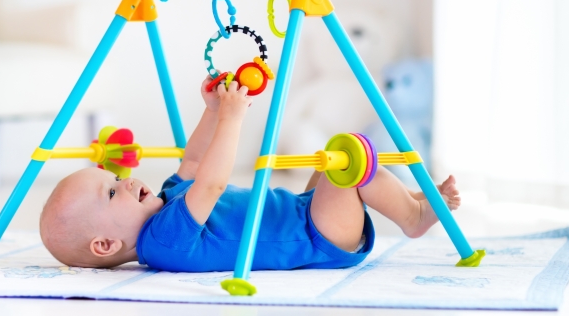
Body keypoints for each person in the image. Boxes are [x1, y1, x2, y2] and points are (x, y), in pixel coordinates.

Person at [39, 77, 460, 272]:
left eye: (114, 179)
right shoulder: (164, 240)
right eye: (114, 193)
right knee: (346, 160)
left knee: (335, 161)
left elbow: (194, 164)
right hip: (316, 236)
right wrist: (233, 121)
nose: (126, 181)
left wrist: (212, 111)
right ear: (106, 244)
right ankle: (412, 218)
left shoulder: (166, 205)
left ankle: (414, 201)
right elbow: (213, 182)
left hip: (303, 211)